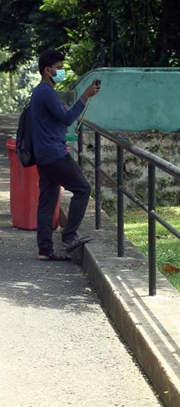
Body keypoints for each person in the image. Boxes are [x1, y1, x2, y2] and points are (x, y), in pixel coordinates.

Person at [30, 49, 100, 261]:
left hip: (44, 153)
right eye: (59, 68)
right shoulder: (46, 92)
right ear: (47, 70)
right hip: (53, 154)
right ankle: (69, 237)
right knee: (82, 189)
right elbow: (67, 118)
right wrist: (85, 96)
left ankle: (45, 250)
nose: (61, 71)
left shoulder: (40, 92)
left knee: (47, 201)